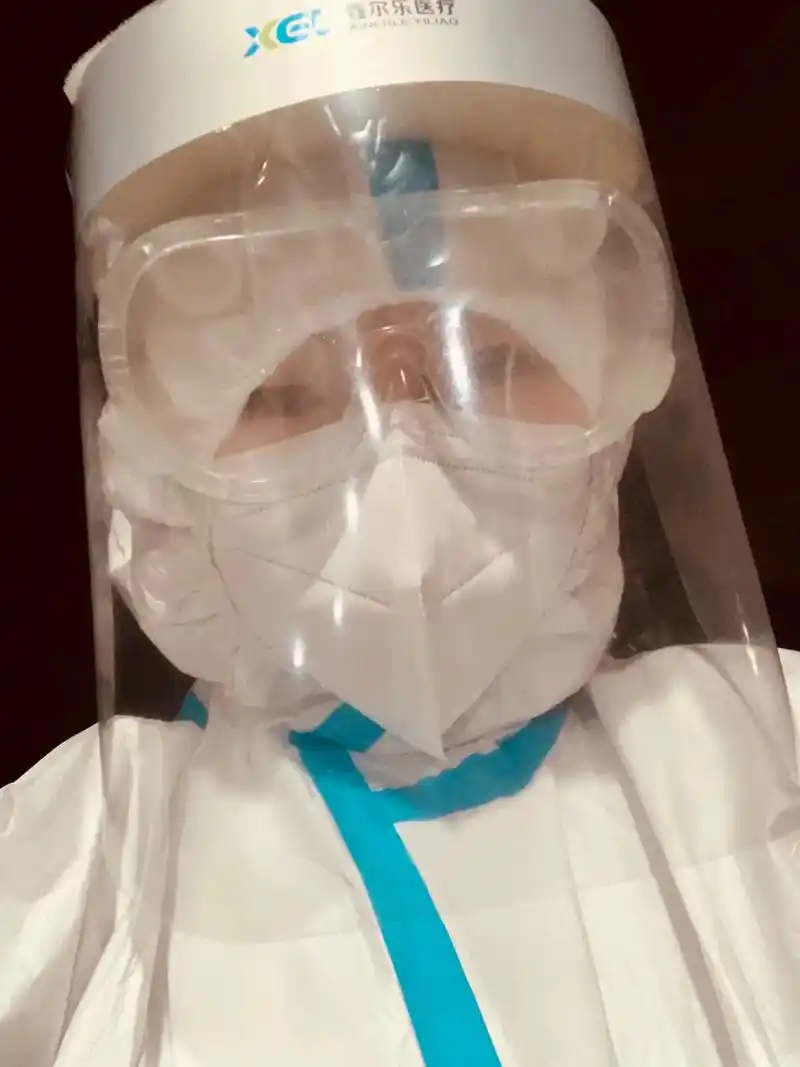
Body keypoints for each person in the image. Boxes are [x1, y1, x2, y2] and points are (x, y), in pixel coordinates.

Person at [2, 5, 798, 1060]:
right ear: (154, 464)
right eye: (282, 394)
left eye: (496, 365)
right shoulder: (75, 866)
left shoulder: (765, 752)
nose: (404, 480)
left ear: (618, 394)